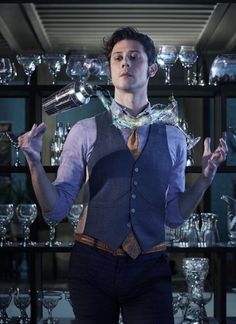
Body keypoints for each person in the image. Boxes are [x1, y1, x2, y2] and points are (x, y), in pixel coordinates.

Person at [18, 27, 228, 324]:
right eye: (117, 58)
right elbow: (56, 209)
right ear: (110, 69)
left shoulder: (174, 138)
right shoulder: (84, 130)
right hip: (92, 266)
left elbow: (174, 216)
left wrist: (206, 177)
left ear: (152, 68)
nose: (125, 63)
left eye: (134, 57)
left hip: (150, 268)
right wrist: (34, 163)